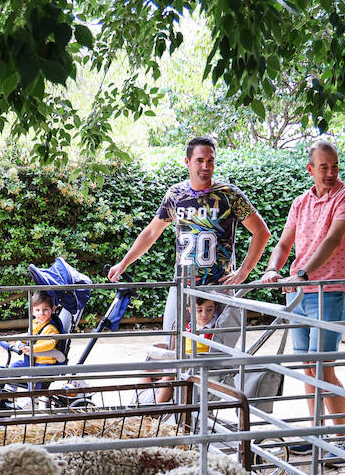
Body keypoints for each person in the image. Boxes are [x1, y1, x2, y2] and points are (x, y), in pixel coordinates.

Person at [259, 139, 345, 454]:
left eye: (335, 166)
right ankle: (317, 434)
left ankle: (343, 441)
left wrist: (303, 273)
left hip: (329, 290)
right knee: (308, 366)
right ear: (311, 170)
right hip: (297, 293)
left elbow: (333, 239)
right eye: (324, 167)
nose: (331, 173)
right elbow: (283, 244)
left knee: (322, 366)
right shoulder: (300, 203)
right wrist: (272, 268)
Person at [107, 136, 270, 336]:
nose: (206, 166)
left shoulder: (229, 194)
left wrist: (244, 272)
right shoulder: (176, 195)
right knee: (173, 342)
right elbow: (151, 232)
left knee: (220, 350)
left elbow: (261, 232)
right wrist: (123, 263)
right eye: (200, 160)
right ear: (187, 162)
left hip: (219, 287)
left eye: (211, 160)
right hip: (183, 284)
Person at [142, 296, 221, 404]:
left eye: (209, 310)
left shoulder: (213, 329)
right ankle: (139, 402)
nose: (204, 315)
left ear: (215, 309)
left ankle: (154, 413)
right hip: (179, 361)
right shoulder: (189, 326)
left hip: (193, 366)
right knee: (146, 369)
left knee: (168, 377)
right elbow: (180, 346)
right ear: (190, 310)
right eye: (199, 310)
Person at [6, 291, 65, 369]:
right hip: (32, 360)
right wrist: (15, 340)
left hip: (45, 362)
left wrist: (32, 349)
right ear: (32, 311)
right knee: (13, 367)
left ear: (53, 309)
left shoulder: (51, 328)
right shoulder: (34, 323)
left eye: (45, 310)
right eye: (37, 310)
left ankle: (29, 380)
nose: (41, 313)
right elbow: (29, 337)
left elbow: (50, 344)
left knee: (35, 377)